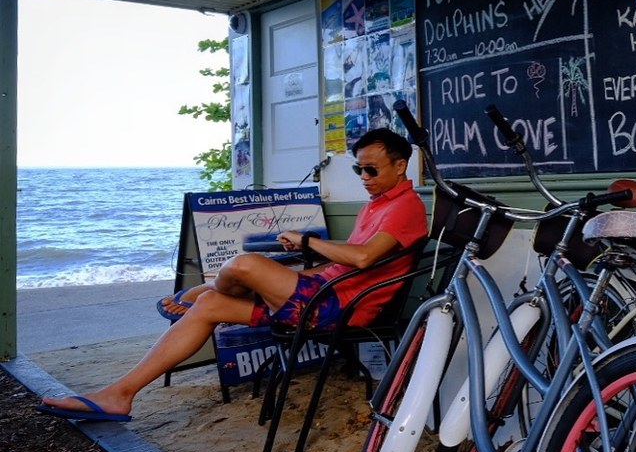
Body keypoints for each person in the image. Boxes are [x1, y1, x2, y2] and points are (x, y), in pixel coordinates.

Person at [37, 128, 429, 422]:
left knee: (241, 265)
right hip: (324, 292)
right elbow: (349, 261)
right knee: (210, 306)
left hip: (339, 309)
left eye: (371, 168)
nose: (363, 176)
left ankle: (206, 289)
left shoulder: (405, 207)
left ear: (400, 165)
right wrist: (309, 260)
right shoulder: (377, 204)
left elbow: (362, 259)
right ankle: (119, 394)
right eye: (358, 168)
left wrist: (309, 242)